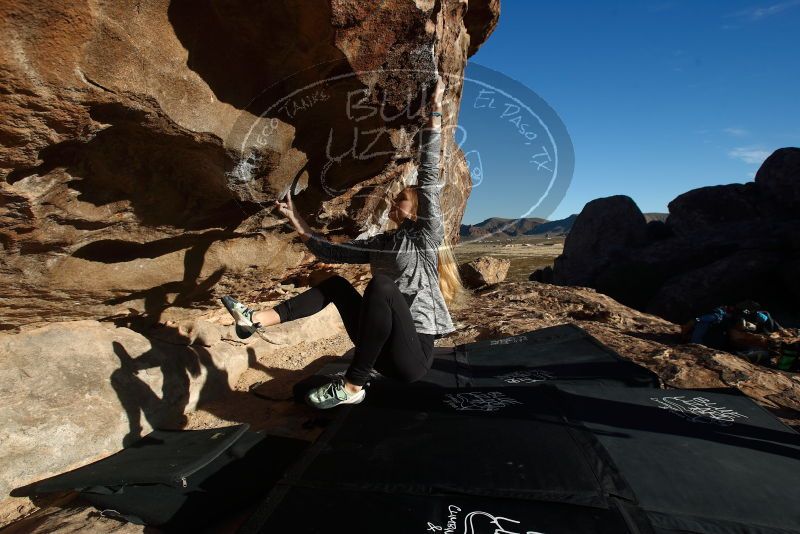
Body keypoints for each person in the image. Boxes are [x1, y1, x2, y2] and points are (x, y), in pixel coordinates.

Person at [221, 74, 464, 409]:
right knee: (335, 284)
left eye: (402, 199)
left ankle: (352, 385)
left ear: (418, 208)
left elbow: (428, 173)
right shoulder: (381, 242)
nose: (394, 201)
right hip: (378, 346)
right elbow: (330, 251)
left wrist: (434, 113)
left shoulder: (426, 235)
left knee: (381, 286)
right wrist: (295, 219)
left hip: (411, 359)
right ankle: (256, 320)